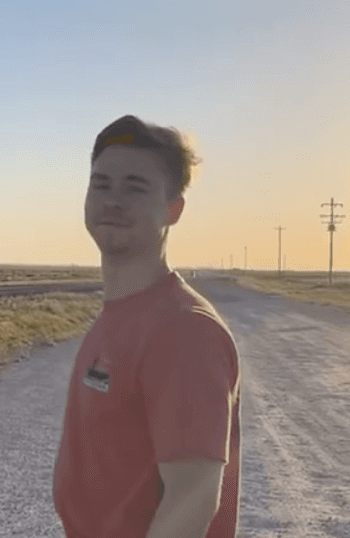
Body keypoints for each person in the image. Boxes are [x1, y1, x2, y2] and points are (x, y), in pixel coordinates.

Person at [52, 115, 241, 538]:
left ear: (173, 209)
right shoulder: (121, 315)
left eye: (134, 188)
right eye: (101, 185)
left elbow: (191, 501)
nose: (112, 200)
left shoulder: (184, 332)